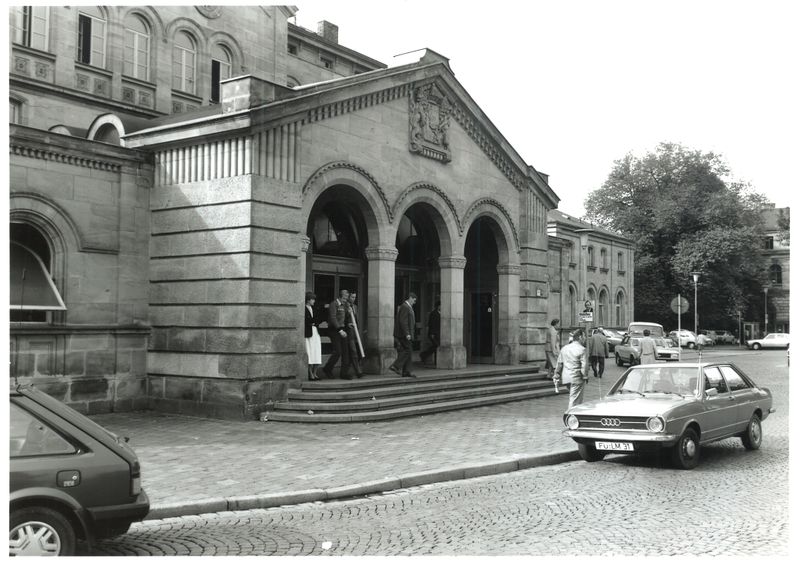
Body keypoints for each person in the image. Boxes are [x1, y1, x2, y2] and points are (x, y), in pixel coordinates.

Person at [554, 328, 589, 409]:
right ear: (580, 337)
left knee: (573, 396)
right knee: (574, 400)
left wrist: (557, 375)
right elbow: (584, 366)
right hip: (577, 378)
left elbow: (559, 364)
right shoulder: (582, 349)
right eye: (584, 337)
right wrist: (585, 376)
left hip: (566, 378)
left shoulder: (564, 348)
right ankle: (571, 416)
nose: (585, 339)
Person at [322, 289, 350, 380]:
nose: (345, 300)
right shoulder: (333, 304)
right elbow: (333, 318)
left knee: (346, 352)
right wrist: (340, 330)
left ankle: (344, 373)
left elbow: (344, 318)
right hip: (334, 330)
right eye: (344, 298)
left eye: (346, 298)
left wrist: (347, 324)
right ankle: (327, 369)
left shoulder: (345, 305)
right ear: (340, 297)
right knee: (338, 351)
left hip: (342, 329)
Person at [390, 292, 417, 378]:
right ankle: (396, 366)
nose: (414, 302)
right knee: (407, 350)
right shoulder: (405, 307)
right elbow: (403, 321)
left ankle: (406, 371)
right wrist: (407, 333)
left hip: (405, 334)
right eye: (414, 300)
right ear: (410, 298)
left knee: (408, 351)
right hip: (403, 334)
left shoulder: (407, 307)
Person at [345, 291, 364, 378]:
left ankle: (349, 371)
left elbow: (356, 320)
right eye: (352, 297)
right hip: (348, 332)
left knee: (357, 352)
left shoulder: (355, 307)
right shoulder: (345, 306)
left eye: (355, 297)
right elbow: (341, 319)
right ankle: (358, 371)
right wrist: (347, 324)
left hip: (355, 333)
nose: (353, 299)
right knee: (353, 352)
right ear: (348, 297)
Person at [304, 292, 322, 381]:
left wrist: (314, 322)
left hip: (315, 332)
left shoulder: (314, 308)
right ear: (308, 300)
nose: (314, 301)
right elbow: (307, 321)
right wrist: (312, 322)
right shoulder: (304, 309)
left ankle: (315, 373)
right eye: (312, 299)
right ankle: (310, 373)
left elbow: (318, 319)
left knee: (316, 351)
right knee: (310, 352)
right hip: (308, 333)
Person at [419, 301, 441, 366]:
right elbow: (431, 324)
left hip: (439, 333)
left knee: (436, 346)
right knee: (437, 346)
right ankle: (426, 356)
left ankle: (424, 355)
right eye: (440, 305)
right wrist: (432, 333)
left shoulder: (442, 313)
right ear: (438, 306)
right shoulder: (433, 313)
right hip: (433, 333)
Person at [545, 319, 561, 388]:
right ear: (556, 324)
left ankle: (549, 375)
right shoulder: (553, 331)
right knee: (555, 363)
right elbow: (553, 342)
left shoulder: (550, 329)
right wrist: (554, 351)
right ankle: (555, 376)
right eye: (558, 324)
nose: (559, 325)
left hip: (548, 348)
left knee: (550, 363)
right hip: (551, 349)